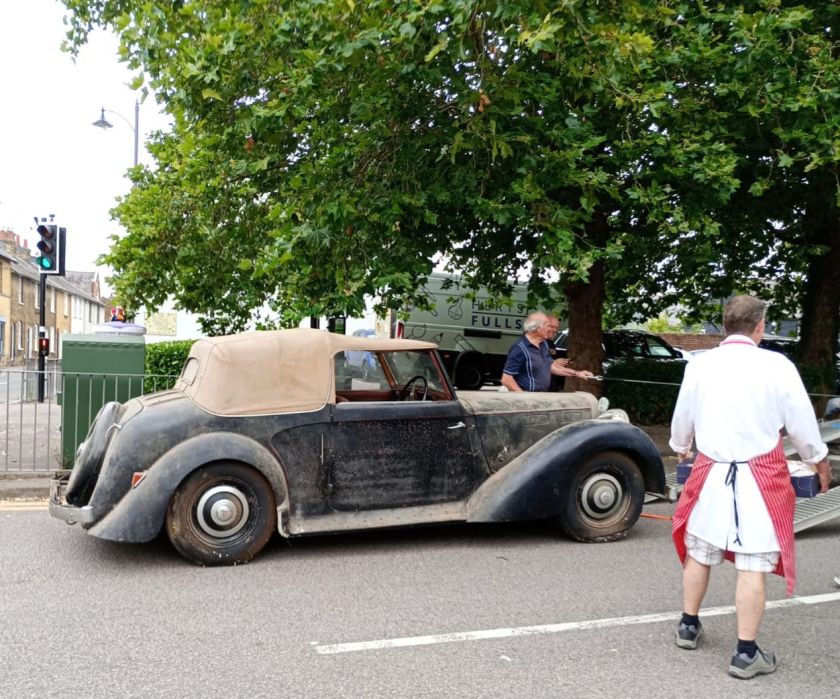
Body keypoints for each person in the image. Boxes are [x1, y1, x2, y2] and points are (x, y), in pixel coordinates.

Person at [669, 295, 831, 679]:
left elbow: (683, 415)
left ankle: (688, 625)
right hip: (760, 477)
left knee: (700, 551)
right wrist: (818, 459)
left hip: (710, 472)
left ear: (726, 326)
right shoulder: (777, 365)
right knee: (752, 563)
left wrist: (680, 447)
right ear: (760, 326)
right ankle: (745, 653)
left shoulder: (700, 364)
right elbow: (801, 422)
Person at [501, 312, 592, 392]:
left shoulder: (544, 344)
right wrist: (524, 398)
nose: (552, 330)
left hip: (542, 396)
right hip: (527, 397)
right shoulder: (519, 348)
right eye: (548, 326)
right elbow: (506, 379)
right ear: (538, 328)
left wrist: (577, 373)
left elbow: (549, 366)